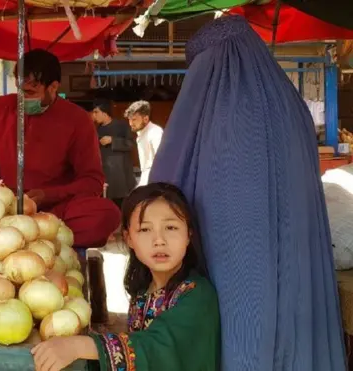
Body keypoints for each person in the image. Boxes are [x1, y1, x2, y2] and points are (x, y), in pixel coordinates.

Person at [149, 16, 346, 371]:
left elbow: (162, 189)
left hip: (233, 281)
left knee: (243, 343)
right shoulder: (292, 107)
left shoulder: (217, 114)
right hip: (296, 275)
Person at [31, 182, 220, 371]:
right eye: (145, 229)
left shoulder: (197, 296)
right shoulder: (144, 289)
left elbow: (156, 347)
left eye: (170, 228)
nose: (159, 240)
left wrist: (79, 346)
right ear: (129, 238)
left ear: (189, 234)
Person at [0, 49, 120, 250]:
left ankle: (33, 239)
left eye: (30, 92)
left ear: (53, 87)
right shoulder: (4, 106)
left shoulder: (78, 120)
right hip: (1, 206)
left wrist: (48, 195)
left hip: (53, 212)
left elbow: (92, 181)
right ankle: (28, 241)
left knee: (107, 214)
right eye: (19, 90)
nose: (21, 98)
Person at [92, 99, 137, 209]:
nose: (94, 115)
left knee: (122, 204)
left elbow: (131, 144)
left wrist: (113, 140)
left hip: (120, 173)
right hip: (105, 173)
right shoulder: (97, 129)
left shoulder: (121, 125)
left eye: (96, 112)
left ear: (104, 112)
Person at [125, 101, 163, 186]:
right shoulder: (142, 133)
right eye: (129, 119)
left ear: (145, 119)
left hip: (154, 180)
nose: (131, 123)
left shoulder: (155, 132)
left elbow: (161, 160)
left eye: (134, 119)